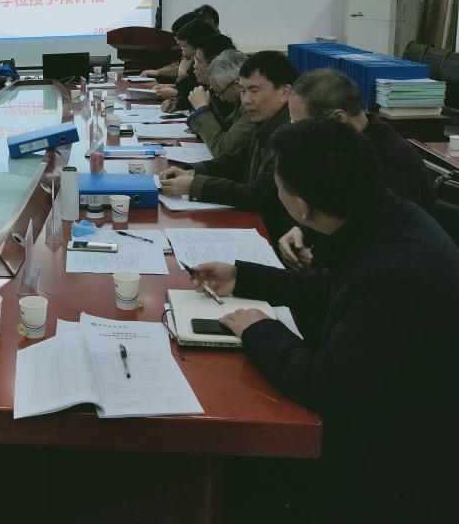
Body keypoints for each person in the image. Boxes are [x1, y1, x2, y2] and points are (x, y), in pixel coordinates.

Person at [191, 120, 459, 522]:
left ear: (301, 207)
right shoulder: (383, 219)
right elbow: (335, 288)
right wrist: (243, 278)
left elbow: (325, 383)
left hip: (398, 461)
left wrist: (259, 328)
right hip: (388, 412)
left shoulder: (396, 272)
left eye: (277, 185)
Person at [278, 68, 437, 269]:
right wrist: (303, 230)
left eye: (302, 125)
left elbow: (379, 240)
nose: (297, 135)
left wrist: (321, 257)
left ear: (338, 118)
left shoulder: (392, 166)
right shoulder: (347, 145)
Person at [160, 51, 298, 241]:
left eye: (254, 90)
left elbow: (261, 195)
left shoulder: (292, 136)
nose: (246, 100)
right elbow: (239, 161)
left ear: (284, 92)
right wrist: (193, 171)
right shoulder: (268, 122)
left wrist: (195, 186)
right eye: (243, 90)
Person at [186, 50, 257, 157]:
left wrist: (202, 109)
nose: (221, 99)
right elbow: (225, 128)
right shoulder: (239, 104)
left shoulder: (253, 108)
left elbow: (222, 150)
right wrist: (203, 110)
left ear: (237, 85)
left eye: (220, 93)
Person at [143, 5, 220, 83]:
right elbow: (178, 64)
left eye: (183, 46)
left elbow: (194, 86)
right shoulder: (193, 53)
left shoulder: (215, 54)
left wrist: (180, 75)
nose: (182, 51)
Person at [158, 17, 215, 111]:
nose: (183, 53)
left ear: (199, 46)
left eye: (184, 47)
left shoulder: (210, 67)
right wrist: (177, 103)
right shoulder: (193, 64)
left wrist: (182, 75)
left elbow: (203, 101)